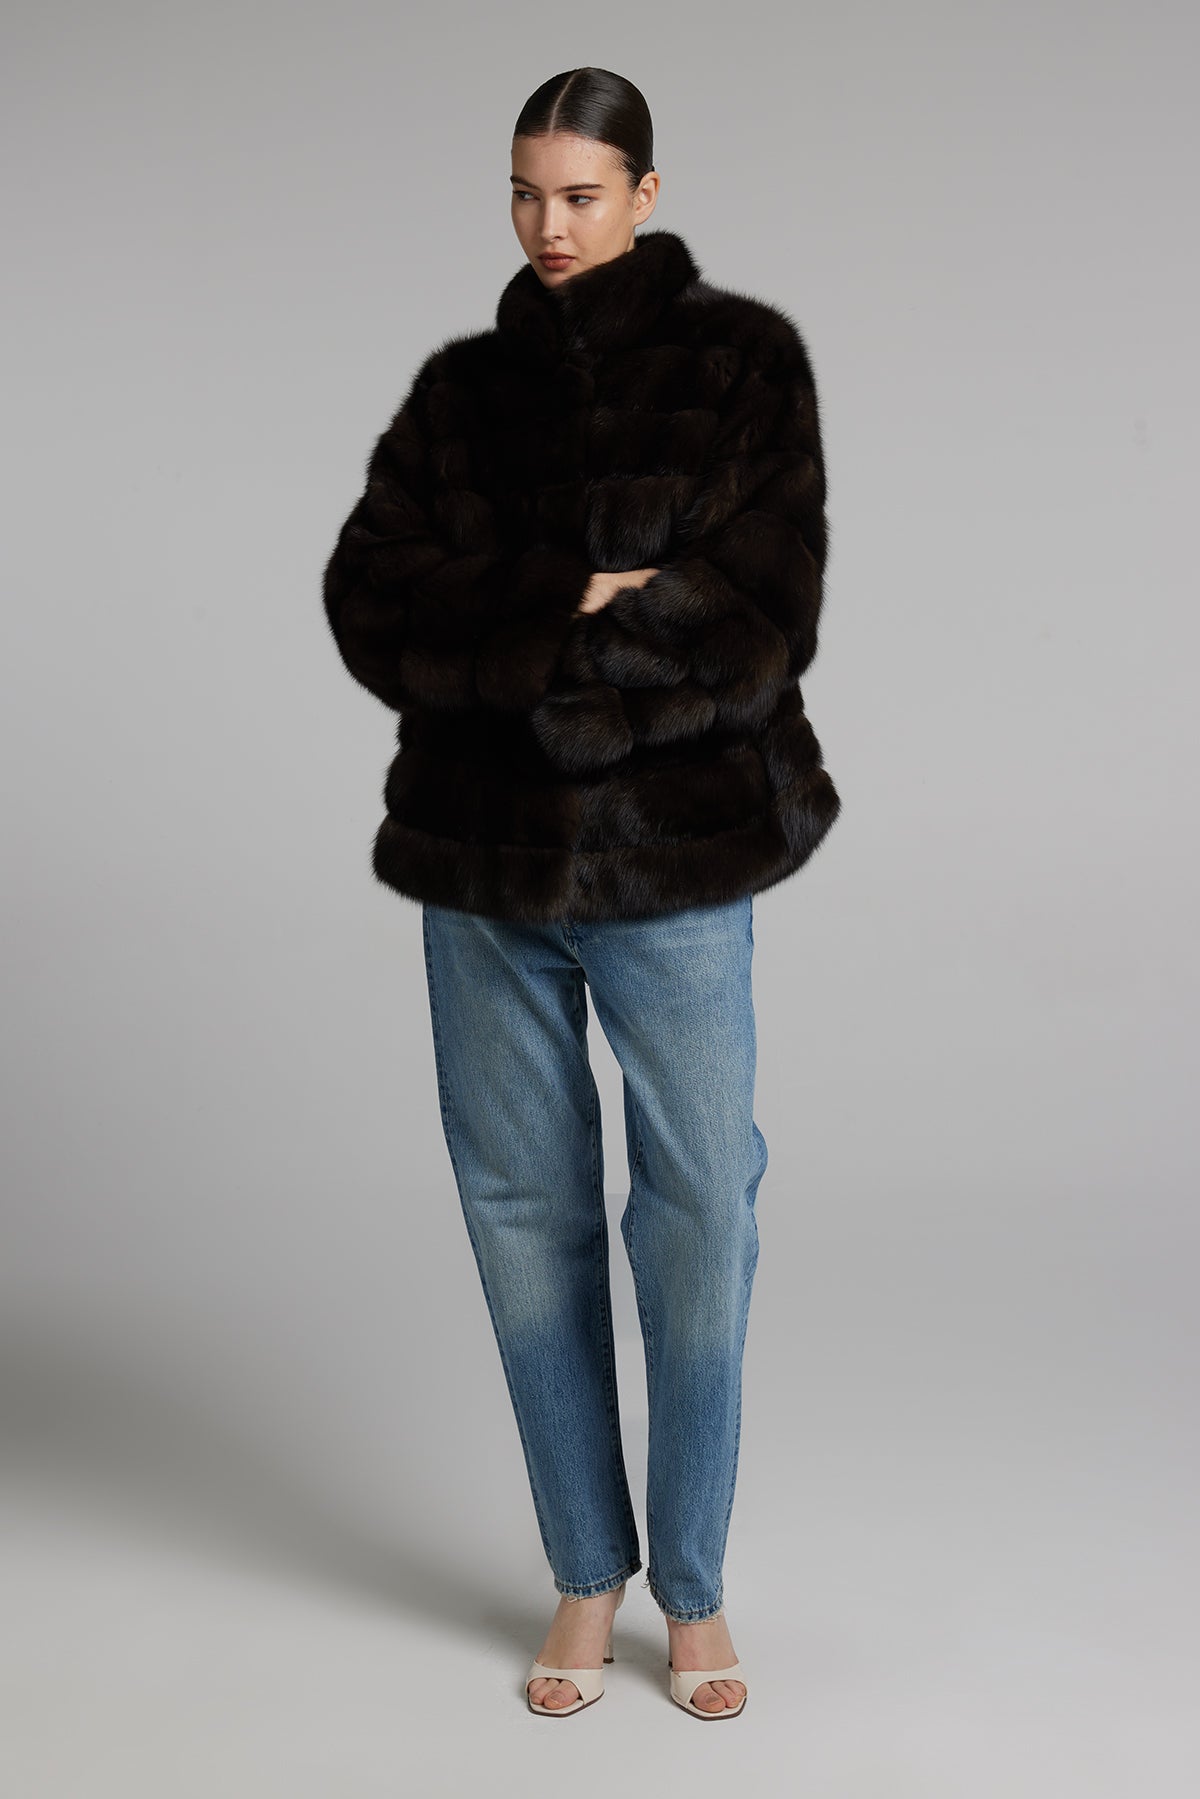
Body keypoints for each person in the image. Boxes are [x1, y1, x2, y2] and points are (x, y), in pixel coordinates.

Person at [322, 66, 840, 1720]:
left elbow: (759, 614)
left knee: (703, 1212)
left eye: (581, 194)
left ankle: (692, 1583)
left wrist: (540, 647)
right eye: (526, 193)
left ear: (647, 192)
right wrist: (570, 592)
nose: (548, 224)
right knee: (520, 1213)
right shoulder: (460, 392)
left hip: (674, 868)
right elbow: (370, 598)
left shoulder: (743, 363)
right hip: (482, 869)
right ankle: (583, 1568)